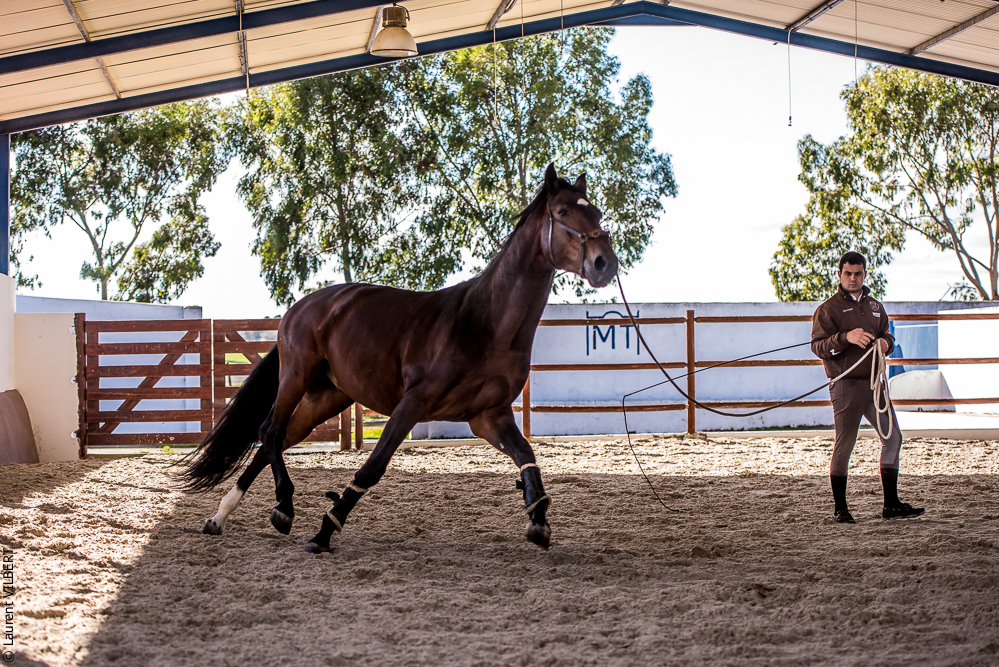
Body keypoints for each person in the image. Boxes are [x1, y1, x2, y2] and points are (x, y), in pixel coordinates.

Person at [811, 251, 925, 523]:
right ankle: (841, 508)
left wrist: (886, 343)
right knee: (845, 444)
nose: (853, 278)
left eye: (858, 274)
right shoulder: (828, 310)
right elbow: (818, 346)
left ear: (864, 274)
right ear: (839, 274)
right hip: (846, 385)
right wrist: (844, 337)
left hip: (876, 385)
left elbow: (888, 334)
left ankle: (891, 504)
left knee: (893, 438)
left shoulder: (875, 306)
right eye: (848, 273)